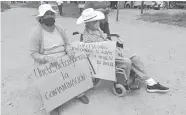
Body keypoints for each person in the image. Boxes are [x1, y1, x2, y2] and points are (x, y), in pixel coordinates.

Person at [77, 8, 169, 93]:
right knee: (127, 61)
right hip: (105, 57)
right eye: (95, 21)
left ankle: (150, 83)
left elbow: (105, 38)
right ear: (87, 23)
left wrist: (115, 42)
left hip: (112, 50)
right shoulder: (87, 37)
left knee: (135, 57)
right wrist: (112, 46)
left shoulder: (97, 29)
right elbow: (96, 52)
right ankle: (124, 82)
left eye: (97, 20)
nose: (98, 22)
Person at [30, 4, 89, 115]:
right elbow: (33, 53)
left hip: (64, 58)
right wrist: (45, 58)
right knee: (51, 83)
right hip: (49, 62)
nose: (50, 16)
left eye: (51, 14)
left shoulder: (59, 29)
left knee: (76, 70)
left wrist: (69, 50)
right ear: (41, 18)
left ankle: (79, 93)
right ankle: (54, 104)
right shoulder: (36, 33)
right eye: (47, 14)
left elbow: (67, 43)